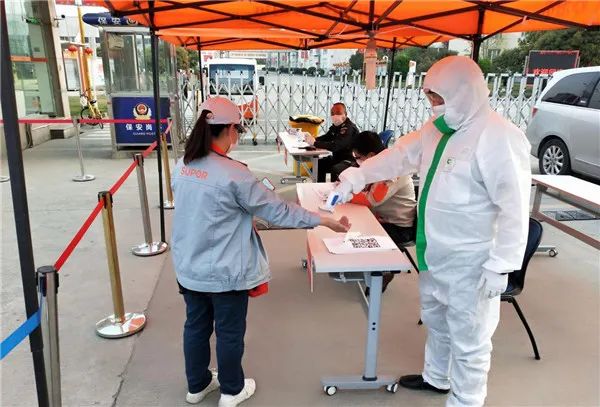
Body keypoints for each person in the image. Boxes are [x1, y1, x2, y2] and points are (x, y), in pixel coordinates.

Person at [335, 56, 531, 407]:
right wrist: (358, 176)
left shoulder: (499, 136)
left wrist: (502, 263)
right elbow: (398, 156)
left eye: (439, 98)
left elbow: (514, 206)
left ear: (464, 92)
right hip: (434, 252)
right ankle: (437, 377)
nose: (433, 106)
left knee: (470, 339)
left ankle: (466, 400)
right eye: (430, 98)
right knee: (437, 321)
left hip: (472, 262)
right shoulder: (437, 129)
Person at [171, 96, 350, 407]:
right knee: (229, 332)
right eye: (238, 129)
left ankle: (197, 386)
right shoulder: (234, 173)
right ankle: (231, 390)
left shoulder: (182, 165)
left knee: (195, 326)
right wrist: (324, 220)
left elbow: (201, 209)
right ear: (229, 129)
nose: (238, 135)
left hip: (189, 265)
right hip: (225, 270)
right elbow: (279, 211)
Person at [350, 131, 417, 293]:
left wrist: (346, 194)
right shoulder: (379, 166)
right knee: (352, 224)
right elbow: (364, 187)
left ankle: (385, 271)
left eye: (358, 157)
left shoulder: (393, 170)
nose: (357, 161)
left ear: (371, 155)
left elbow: (371, 200)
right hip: (381, 217)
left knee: (357, 232)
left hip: (399, 227)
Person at [307, 102, 359, 182]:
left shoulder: (348, 128)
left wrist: (315, 143)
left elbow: (336, 146)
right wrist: (312, 139)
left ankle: (334, 189)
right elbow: (326, 137)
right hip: (338, 158)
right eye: (332, 113)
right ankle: (320, 186)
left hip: (350, 160)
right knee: (317, 166)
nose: (335, 116)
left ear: (345, 114)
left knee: (335, 169)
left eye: (338, 113)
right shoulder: (336, 126)